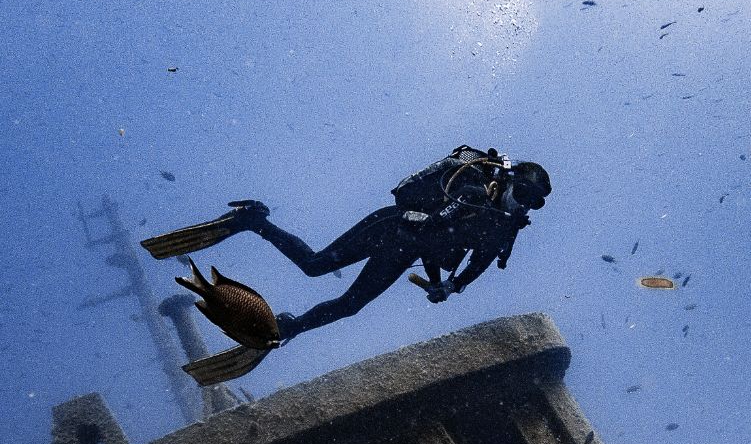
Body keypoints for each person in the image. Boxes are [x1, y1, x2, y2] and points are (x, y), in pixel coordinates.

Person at [140, 146, 551, 345]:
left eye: (533, 202)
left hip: (404, 250)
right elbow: (434, 217)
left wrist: (450, 286)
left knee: (351, 305)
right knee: (316, 266)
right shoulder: (473, 187)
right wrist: (436, 257)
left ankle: (289, 326)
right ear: (510, 181)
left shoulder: (504, 229)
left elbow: (477, 264)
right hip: (392, 228)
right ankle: (253, 221)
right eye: (523, 193)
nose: (524, 204)